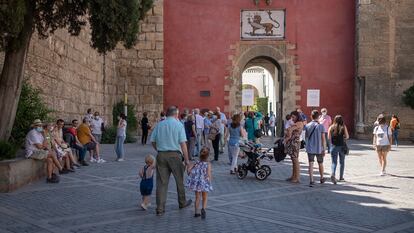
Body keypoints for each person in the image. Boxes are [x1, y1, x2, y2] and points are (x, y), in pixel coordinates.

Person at [150, 106, 192, 216]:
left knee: (161, 183)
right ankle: (182, 202)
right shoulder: (179, 125)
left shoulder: (159, 125)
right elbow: (183, 144)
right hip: (175, 155)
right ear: (176, 114)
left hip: (161, 155)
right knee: (179, 181)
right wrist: (187, 161)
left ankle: (160, 208)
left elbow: (153, 141)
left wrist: (159, 149)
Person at [185, 147, 213, 219]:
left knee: (197, 197)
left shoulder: (197, 162)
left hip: (197, 183)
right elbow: (209, 174)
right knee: (205, 197)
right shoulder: (208, 164)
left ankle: (196, 212)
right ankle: (203, 209)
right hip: (204, 183)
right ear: (208, 155)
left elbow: (189, 170)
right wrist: (210, 181)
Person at [305, 110, 326, 187]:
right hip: (319, 148)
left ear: (311, 116)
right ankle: (322, 178)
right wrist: (324, 149)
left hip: (310, 148)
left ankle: (311, 180)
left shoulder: (307, 125)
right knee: (320, 163)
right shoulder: (321, 126)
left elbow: (306, 137)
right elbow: (323, 139)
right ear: (318, 117)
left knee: (311, 164)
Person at [284, 111, 304, 183]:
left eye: (293, 117)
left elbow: (289, 129)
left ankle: (297, 178)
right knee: (293, 159)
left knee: (295, 160)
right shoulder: (297, 123)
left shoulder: (299, 123)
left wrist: (287, 137)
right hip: (293, 142)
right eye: (291, 117)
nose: (292, 119)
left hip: (295, 142)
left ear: (297, 116)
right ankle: (293, 176)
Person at [328, 115, 349, 184]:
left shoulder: (331, 127)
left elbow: (329, 137)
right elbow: (347, 136)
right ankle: (341, 177)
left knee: (334, 162)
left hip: (333, 146)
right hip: (342, 146)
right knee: (342, 162)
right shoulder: (343, 127)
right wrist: (343, 139)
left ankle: (333, 174)